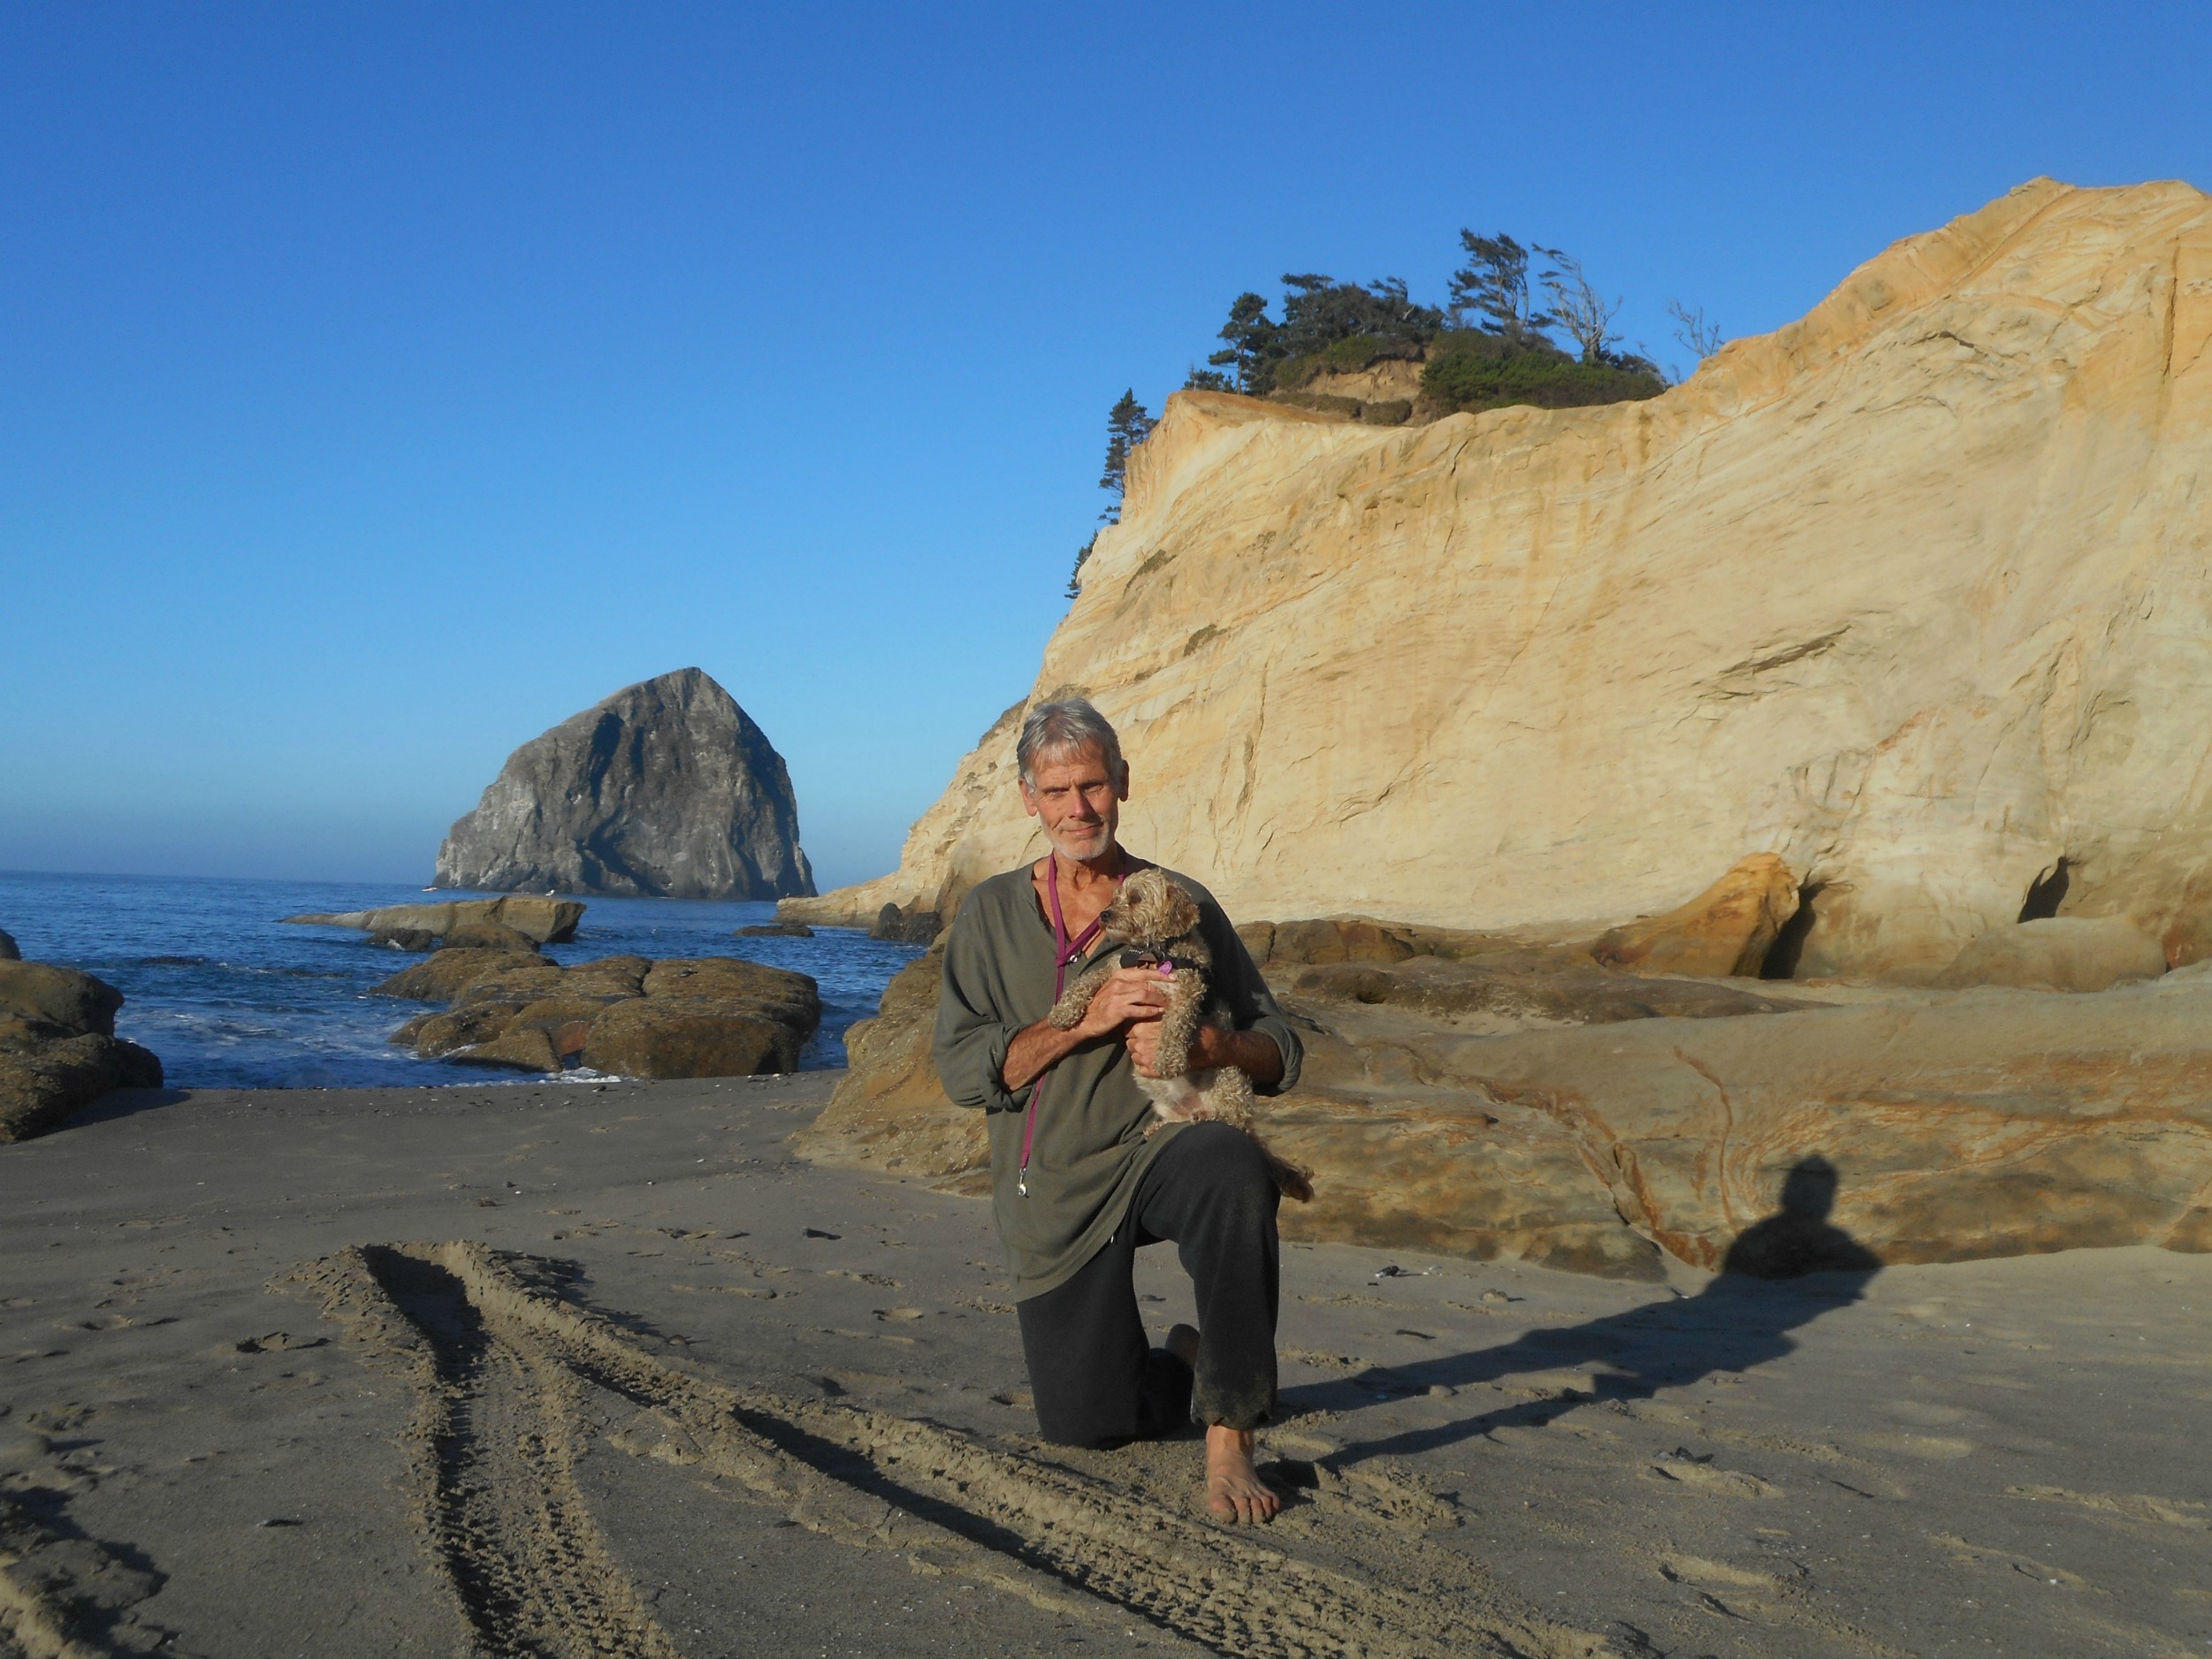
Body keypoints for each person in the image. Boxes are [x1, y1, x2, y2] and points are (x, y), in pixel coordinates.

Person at [932, 696, 1303, 1523]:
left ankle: (1232, 1432)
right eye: (1057, 791)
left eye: (1093, 785)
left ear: (1123, 782)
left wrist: (1213, 1048)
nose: (1078, 809)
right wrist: (1084, 1018)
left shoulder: (1181, 904)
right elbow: (963, 1069)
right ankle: (1185, 1361)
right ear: (1029, 798)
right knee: (1087, 1424)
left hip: (1165, 1152)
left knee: (1233, 1166)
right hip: (1057, 1192)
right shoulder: (989, 917)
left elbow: (1283, 1049)